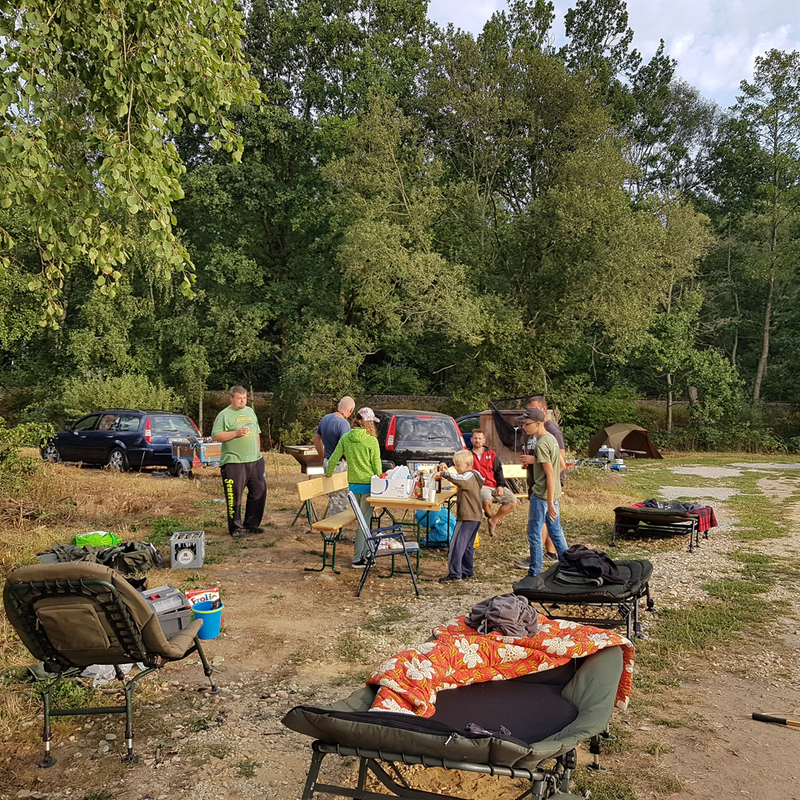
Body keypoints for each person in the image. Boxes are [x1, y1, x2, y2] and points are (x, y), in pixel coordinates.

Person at [325, 407, 382, 569]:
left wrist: (329, 473)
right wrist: (381, 479)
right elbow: (376, 465)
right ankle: (358, 557)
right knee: (365, 522)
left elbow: (334, 458)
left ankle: (368, 553)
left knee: (362, 519)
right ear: (369, 423)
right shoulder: (371, 441)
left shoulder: (346, 438)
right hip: (369, 485)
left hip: (353, 486)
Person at [516, 407, 569, 576]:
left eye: (527, 424)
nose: (524, 427)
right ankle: (569, 566)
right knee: (555, 530)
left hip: (541, 496)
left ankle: (534, 571)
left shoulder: (541, 444)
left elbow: (551, 474)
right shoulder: (552, 439)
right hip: (551, 495)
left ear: (538, 424)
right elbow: (562, 465)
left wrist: (549, 501)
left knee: (534, 532)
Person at [212, 385, 267, 538]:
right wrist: (236, 433)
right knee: (234, 495)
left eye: (244, 398)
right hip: (234, 461)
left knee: (259, 491)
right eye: (239, 398)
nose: (242, 401)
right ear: (231, 398)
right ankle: (235, 527)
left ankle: (251, 524)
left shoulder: (250, 411)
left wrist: (258, 453)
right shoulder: (224, 415)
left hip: (255, 460)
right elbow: (216, 436)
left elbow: (257, 433)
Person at [433, 449, 485, 583]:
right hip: (475, 516)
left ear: (467, 465)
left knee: (456, 544)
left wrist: (444, 474)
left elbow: (459, 480)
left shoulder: (469, 476)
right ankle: (467, 571)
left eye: (458, 465)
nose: (456, 468)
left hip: (467, 516)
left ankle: (455, 573)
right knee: (467, 546)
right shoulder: (474, 477)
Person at [469, 429, 518, 536]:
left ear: (484, 440)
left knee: (512, 501)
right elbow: (454, 459)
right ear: (471, 440)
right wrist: (443, 463)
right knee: (487, 501)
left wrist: (500, 486)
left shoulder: (491, 454)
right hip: (480, 485)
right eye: (475, 438)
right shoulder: (467, 454)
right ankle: (490, 515)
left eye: (480, 438)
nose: (477, 440)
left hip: (494, 484)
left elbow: (498, 471)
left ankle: (494, 519)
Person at [314, 396, 355, 516]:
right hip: (339, 464)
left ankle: (332, 522)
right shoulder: (344, 424)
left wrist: (322, 456)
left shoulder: (326, 418)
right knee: (341, 499)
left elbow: (316, 439)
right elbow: (344, 449)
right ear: (351, 410)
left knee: (333, 497)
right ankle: (336, 525)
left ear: (338, 406)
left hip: (327, 462)